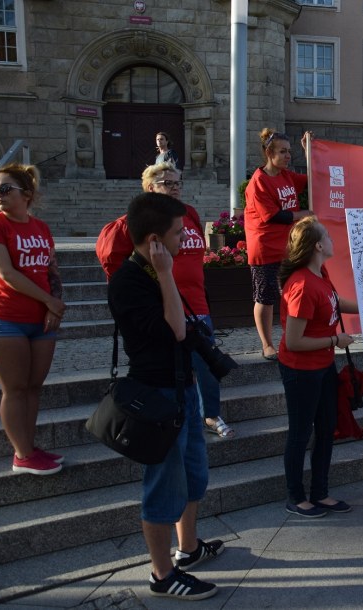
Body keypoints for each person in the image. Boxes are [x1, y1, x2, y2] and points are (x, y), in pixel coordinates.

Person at [108, 192, 223, 600]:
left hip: (183, 388)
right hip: (156, 396)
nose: (184, 239)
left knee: (194, 475)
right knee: (162, 486)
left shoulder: (157, 271)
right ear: (154, 238)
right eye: (178, 233)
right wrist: (167, 273)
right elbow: (175, 328)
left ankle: (188, 548)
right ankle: (161, 574)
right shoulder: (129, 281)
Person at [95, 162, 233, 439]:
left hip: (196, 305)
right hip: (164, 315)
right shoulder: (130, 224)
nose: (175, 188)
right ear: (149, 188)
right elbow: (114, 263)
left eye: (178, 182)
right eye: (168, 183)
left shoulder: (188, 214)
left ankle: (211, 414)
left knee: (206, 367)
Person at [0, 164, 66, 475]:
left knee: (34, 387)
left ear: (27, 194)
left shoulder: (41, 229)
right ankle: (21, 454)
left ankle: (29, 448)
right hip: (7, 319)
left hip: (41, 322)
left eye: (5, 189)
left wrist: (52, 303)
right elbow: (6, 275)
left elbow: (51, 270)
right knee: (15, 389)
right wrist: (50, 301)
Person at [277, 216, 358, 517]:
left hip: (323, 367)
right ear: (318, 245)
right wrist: (335, 339)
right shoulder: (300, 285)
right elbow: (294, 341)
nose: (333, 239)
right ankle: (295, 497)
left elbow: (335, 302)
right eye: (327, 235)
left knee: (325, 429)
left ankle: (320, 493)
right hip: (301, 370)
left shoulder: (320, 273)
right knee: (300, 432)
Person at [244, 128, 313, 361]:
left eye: (289, 152)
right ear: (268, 153)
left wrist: (309, 152)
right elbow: (273, 215)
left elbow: (313, 179)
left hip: (287, 247)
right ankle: (267, 345)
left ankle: (292, 337)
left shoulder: (286, 176)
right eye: (282, 152)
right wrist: (303, 214)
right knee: (265, 296)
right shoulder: (258, 181)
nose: (287, 156)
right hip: (265, 248)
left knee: (292, 293)